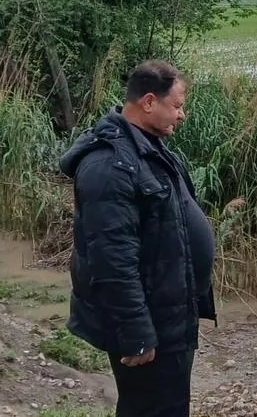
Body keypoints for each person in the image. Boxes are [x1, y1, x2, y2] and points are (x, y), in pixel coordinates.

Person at [59, 60, 216, 417]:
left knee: (168, 407)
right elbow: (111, 260)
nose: (182, 115)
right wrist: (136, 333)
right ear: (148, 102)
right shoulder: (109, 166)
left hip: (170, 313)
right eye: (177, 106)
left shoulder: (148, 147)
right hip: (149, 322)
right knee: (149, 409)